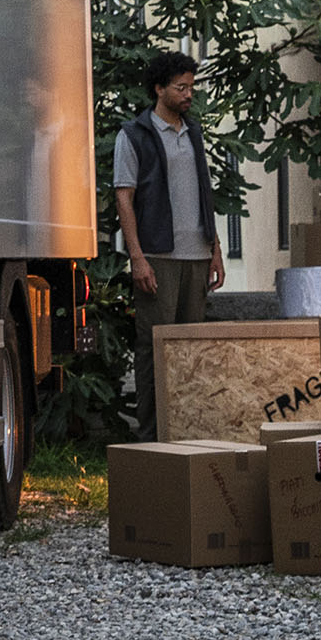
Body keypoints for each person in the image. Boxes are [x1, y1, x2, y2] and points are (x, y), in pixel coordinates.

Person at [112, 51, 223, 438]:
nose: (189, 93)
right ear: (159, 89)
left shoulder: (194, 133)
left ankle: (189, 434)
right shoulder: (134, 135)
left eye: (191, 86)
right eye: (181, 87)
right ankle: (152, 437)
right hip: (157, 256)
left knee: (192, 350)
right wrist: (137, 258)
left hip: (197, 255)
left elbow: (203, 193)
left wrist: (216, 249)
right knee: (155, 348)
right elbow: (124, 197)